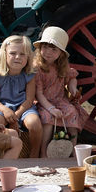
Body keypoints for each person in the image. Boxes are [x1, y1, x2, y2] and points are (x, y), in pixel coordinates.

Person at [0, 34, 44, 158]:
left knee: (34, 124)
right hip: (1, 107)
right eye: (13, 53)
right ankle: (0, 152)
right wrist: (5, 110)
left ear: (28, 56)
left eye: (22, 54)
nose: (18, 57)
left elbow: (29, 100)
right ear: (5, 54)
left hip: (23, 107)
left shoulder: (29, 75)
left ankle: (34, 154)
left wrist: (16, 116)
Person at [33, 26, 83, 156]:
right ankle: (43, 152)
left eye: (53, 49)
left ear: (61, 53)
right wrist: (50, 108)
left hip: (60, 100)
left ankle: (73, 149)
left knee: (72, 112)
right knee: (48, 118)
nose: (48, 52)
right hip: (43, 103)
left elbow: (72, 77)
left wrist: (72, 88)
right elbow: (38, 94)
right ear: (40, 49)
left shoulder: (61, 66)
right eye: (45, 47)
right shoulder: (37, 68)